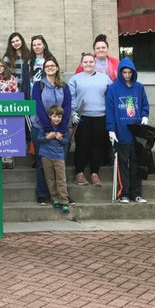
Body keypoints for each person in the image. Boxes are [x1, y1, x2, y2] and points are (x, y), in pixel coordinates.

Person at [106, 58, 150, 204]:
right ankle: (123, 193)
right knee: (123, 164)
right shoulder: (113, 88)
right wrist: (111, 129)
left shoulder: (139, 87)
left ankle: (136, 193)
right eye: (124, 72)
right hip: (121, 132)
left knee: (137, 163)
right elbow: (110, 111)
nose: (127, 75)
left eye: (129, 72)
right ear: (120, 72)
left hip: (137, 132)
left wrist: (144, 115)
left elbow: (144, 104)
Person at [30, 58, 72, 205]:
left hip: (61, 130)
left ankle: (63, 195)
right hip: (41, 129)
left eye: (52, 65)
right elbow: (38, 106)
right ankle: (43, 193)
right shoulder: (38, 85)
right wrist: (48, 129)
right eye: (47, 66)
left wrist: (61, 129)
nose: (50, 68)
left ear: (57, 67)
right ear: (43, 69)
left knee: (60, 164)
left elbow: (67, 107)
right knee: (42, 163)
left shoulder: (64, 86)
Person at [68, 52, 112, 187]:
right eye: (85, 62)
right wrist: (73, 112)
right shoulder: (75, 79)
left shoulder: (105, 78)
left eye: (91, 61)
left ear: (95, 63)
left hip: (100, 116)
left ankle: (94, 173)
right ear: (81, 64)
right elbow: (70, 97)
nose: (88, 64)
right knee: (82, 145)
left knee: (97, 146)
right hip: (82, 117)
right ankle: (79, 173)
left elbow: (111, 96)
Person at [38, 105, 70, 214]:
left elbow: (66, 141)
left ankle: (64, 201)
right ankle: (54, 198)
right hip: (46, 155)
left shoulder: (63, 128)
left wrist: (61, 139)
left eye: (59, 117)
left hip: (58, 156)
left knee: (61, 179)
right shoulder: (44, 126)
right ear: (49, 116)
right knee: (50, 178)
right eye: (54, 116)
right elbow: (39, 139)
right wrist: (47, 137)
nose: (57, 119)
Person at [2, 32, 31, 98]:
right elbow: (5, 74)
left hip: (27, 88)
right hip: (14, 89)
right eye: (13, 42)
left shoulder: (29, 55)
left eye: (17, 40)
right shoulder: (7, 57)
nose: (15, 43)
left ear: (21, 40)